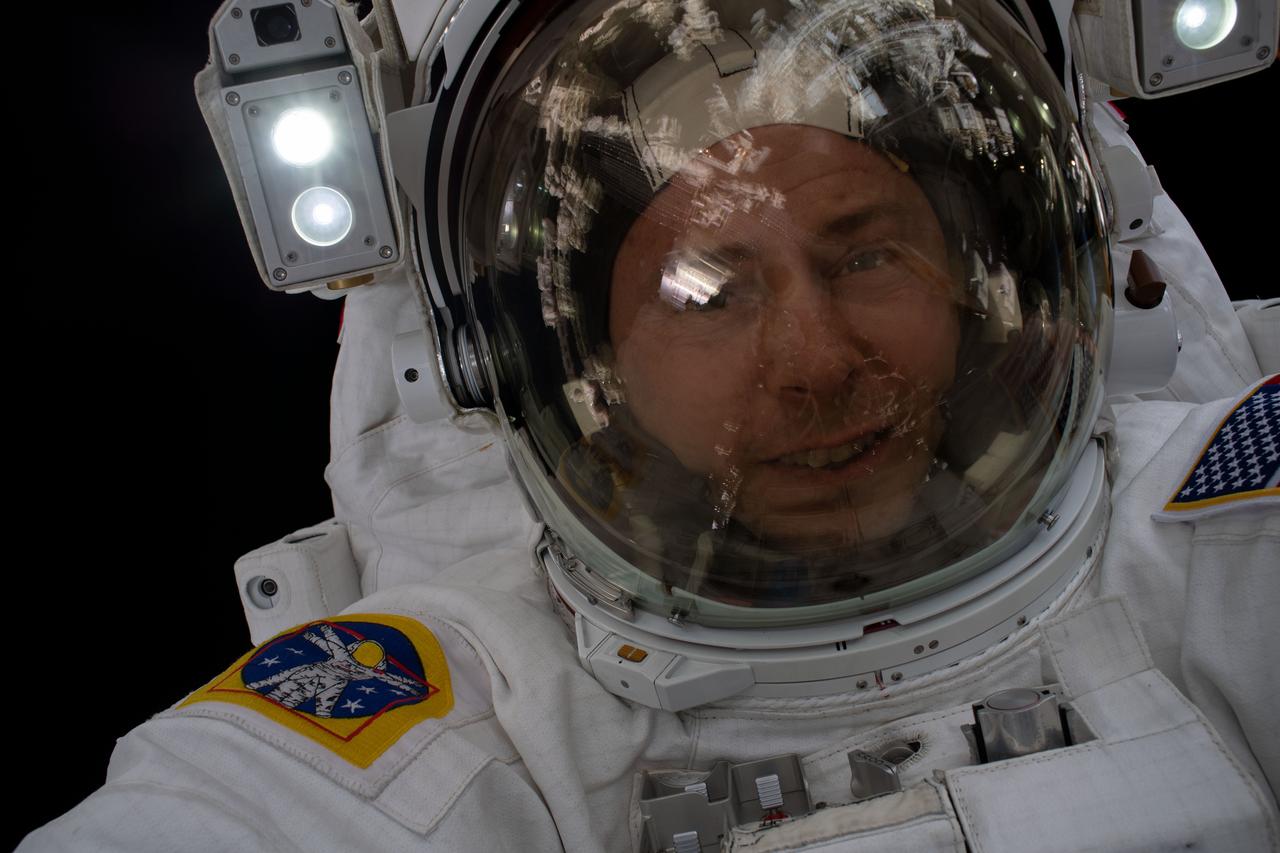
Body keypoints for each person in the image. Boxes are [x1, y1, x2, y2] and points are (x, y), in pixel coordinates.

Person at [23, 0, 1279, 849]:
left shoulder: (1221, 540)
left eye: (867, 255)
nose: (815, 363)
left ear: (988, 280)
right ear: (571, 365)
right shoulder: (467, 725)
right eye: (704, 292)